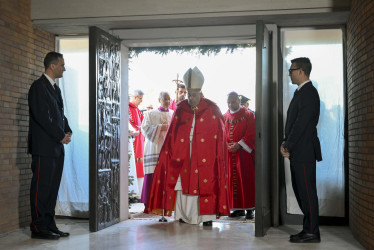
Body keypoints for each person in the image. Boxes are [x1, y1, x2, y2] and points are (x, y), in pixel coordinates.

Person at [145, 67, 230, 226]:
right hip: (183, 154)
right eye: (189, 95)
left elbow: (220, 136)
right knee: (181, 184)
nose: (191, 98)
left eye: (194, 95)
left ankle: (207, 217)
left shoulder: (212, 109)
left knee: (206, 182)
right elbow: (172, 134)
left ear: (201, 94)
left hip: (206, 156)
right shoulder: (181, 108)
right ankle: (183, 215)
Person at [28, 52, 72, 239]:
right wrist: (60, 135)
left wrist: (67, 130)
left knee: (52, 188)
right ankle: (38, 227)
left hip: (56, 146)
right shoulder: (38, 87)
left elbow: (59, 115)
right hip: (43, 148)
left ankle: (49, 223)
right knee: (41, 187)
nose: (64, 68)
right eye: (62, 65)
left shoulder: (55, 88)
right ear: (52, 66)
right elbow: (42, 117)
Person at [280, 57, 322, 243]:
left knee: (307, 192)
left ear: (301, 71)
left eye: (292, 70)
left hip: (304, 151)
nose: (290, 73)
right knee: (300, 191)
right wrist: (285, 142)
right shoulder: (301, 92)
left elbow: (301, 124)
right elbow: (293, 124)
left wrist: (288, 145)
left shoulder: (309, 93)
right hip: (298, 150)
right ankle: (308, 229)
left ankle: (312, 232)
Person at [223, 92, 256, 220]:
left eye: (233, 101)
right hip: (229, 153)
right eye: (229, 102)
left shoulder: (248, 115)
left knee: (246, 180)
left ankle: (249, 209)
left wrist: (240, 144)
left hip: (244, 155)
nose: (231, 104)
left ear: (239, 100)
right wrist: (226, 145)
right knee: (231, 181)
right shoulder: (224, 116)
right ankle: (237, 209)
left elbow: (252, 133)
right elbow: (221, 133)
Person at [140, 91, 174, 206]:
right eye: (165, 99)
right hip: (154, 146)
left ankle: (166, 202)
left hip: (169, 148)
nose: (167, 101)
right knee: (153, 172)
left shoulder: (173, 113)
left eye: (169, 99)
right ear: (159, 100)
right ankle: (150, 201)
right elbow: (144, 128)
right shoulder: (150, 113)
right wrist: (160, 127)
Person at [129, 89, 145, 197]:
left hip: (140, 141)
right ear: (135, 97)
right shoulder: (128, 108)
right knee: (133, 165)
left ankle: (139, 192)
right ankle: (132, 192)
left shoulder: (137, 110)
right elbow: (128, 123)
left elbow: (144, 122)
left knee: (140, 166)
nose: (141, 101)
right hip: (133, 142)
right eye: (140, 99)